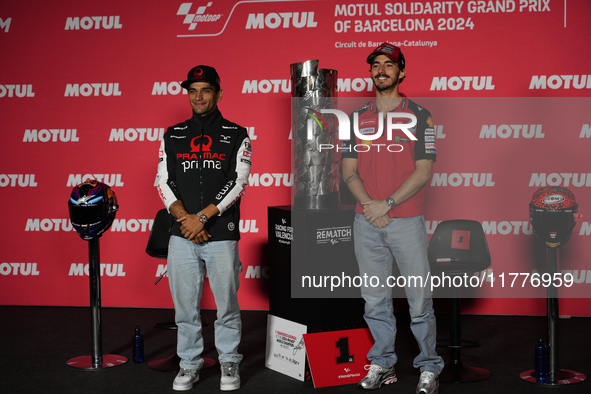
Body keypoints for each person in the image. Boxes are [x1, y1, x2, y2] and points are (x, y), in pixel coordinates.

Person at [341, 43, 444, 394]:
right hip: (365, 219)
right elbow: (348, 171)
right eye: (376, 65)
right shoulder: (356, 119)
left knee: (418, 299)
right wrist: (370, 205)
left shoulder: (419, 115)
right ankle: (383, 363)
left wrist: (386, 203)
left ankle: (429, 367)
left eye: (389, 65)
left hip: (405, 220)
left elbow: (424, 170)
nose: (381, 70)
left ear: (401, 72)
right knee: (374, 299)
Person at [156, 65, 252, 391]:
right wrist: (187, 219)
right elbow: (163, 181)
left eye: (205, 90)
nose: (198, 96)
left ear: (219, 93)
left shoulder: (237, 134)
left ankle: (228, 361)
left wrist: (203, 217)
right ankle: (189, 364)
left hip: (220, 232)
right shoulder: (173, 134)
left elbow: (237, 182)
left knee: (226, 304)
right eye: (193, 90)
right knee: (185, 307)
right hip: (182, 234)